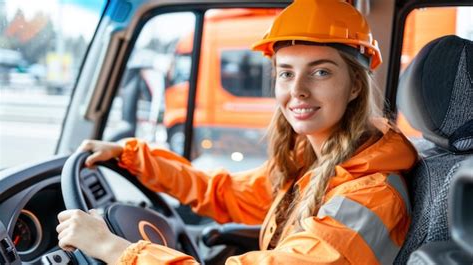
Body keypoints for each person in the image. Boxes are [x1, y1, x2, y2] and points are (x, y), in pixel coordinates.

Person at [56, 0, 417, 264]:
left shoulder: (370, 195)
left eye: (321, 72)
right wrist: (132, 157)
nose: (298, 90)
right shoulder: (312, 163)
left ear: (355, 86)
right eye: (286, 72)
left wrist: (114, 249)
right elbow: (225, 193)